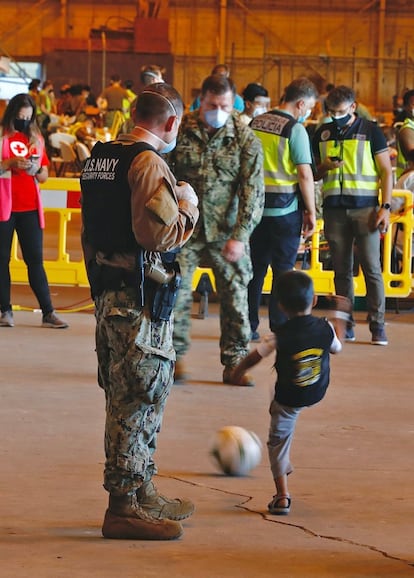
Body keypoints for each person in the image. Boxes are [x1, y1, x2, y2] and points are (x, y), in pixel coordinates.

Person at [80, 83, 199, 540]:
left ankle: (141, 487)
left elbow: (91, 231)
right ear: (170, 123)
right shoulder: (147, 162)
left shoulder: (99, 158)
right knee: (137, 397)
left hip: (110, 293)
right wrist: (187, 203)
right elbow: (159, 235)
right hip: (139, 300)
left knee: (132, 393)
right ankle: (123, 505)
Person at [169, 74, 264, 386]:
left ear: (233, 102)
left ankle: (236, 361)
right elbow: (163, 173)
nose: (218, 110)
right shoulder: (181, 128)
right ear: (202, 101)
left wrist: (241, 235)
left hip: (227, 230)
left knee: (237, 295)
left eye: (224, 105)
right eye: (212, 105)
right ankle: (174, 357)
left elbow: (253, 190)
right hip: (185, 227)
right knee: (174, 292)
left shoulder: (244, 137)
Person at [231, 270, 344, 515]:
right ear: (314, 300)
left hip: (289, 398)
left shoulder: (279, 335)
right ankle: (284, 467)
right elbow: (337, 349)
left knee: (277, 442)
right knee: (281, 396)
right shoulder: (325, 329)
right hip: (316, 391)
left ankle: (282, 496)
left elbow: (254, 357)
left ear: (280, 305)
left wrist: (236, 372)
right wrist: (340, 318)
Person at [312, 85, 393, 345]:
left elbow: (386, 171)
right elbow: (313, 173)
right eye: (332, 112)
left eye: (341, 111)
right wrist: (324, 167)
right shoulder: (322, 132)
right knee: (341, 270)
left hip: (366, 209)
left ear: (353, 108)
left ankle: (377, 325)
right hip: (334, 210)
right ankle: (345, 325)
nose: (336, 116)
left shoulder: (371, 131)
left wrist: (386, 207)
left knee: (372, 268)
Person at [248, 77, 318, 340]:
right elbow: (305, 175)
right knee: (283, 271)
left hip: (255, 212)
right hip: (285, 213)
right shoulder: (295, 129)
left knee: (255, 271)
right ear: (300, 103)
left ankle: (249, 324)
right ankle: (279, 326)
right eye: (309, 107)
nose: (308, 112)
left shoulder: (256, 123)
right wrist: (311, 210)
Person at [0, 93, 68, 329]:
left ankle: (48, 311)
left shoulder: (36, 138)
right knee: (2, 261)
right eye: (20, 117)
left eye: (28, 118)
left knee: (35, 261)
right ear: (12, 115)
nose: (24, 122)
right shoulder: (2, 136)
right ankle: (5, 311)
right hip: (4, 207)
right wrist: (8, 164)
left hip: (30, 206)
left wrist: (35, 169)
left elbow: (45, 175)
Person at [396, 89, 414, 180]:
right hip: (408, 179)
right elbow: (412, 155)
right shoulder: (407, 129)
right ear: (406, 107)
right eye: (413, 104)